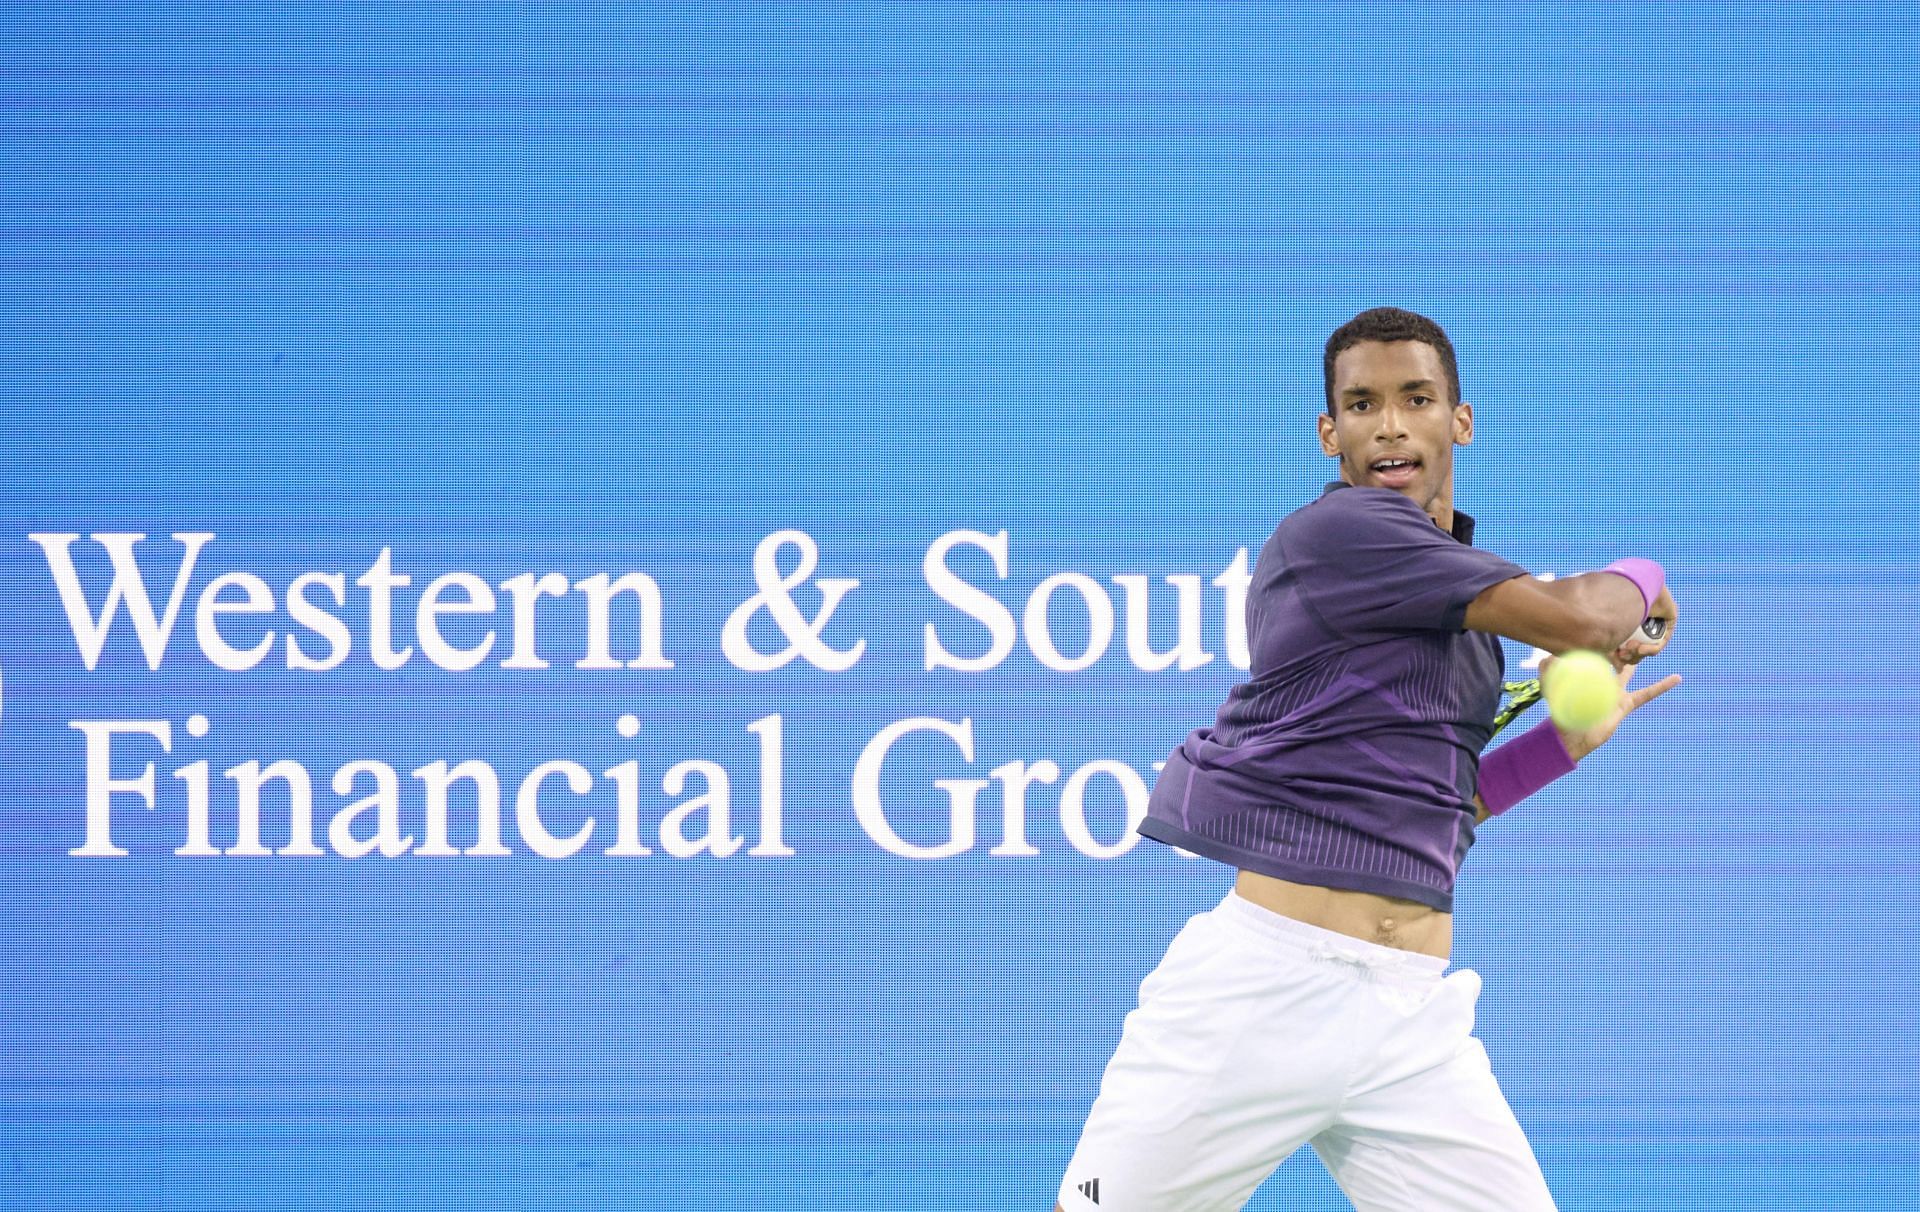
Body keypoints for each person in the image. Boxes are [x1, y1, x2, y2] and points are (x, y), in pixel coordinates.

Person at [1055, 307, 1681, 1211]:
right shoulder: (1343, 535)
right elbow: (1590, 617)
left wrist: (1561, 746)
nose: (1389, 424)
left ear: (1459, 420)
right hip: (1263, 995)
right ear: (1330, 433)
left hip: (1408, 1017)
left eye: (1416, 398)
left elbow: (1439, 814)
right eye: (1362, 404)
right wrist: (1648, 573)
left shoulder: (1460, 627)